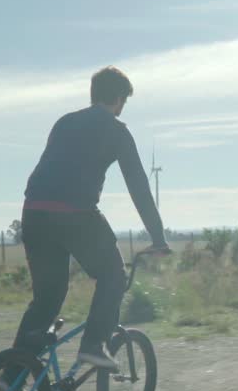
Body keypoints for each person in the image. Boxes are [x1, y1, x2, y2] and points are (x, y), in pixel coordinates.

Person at [9, 65, 170, 375]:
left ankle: (11, 375)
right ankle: (94, 345)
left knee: (48, 296)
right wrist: (158, 236)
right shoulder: (117, 131)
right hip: (75, 214)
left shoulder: (64, 122)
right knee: (113, 275)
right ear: (120, 99)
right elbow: (139, 187)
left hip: (33, 213)